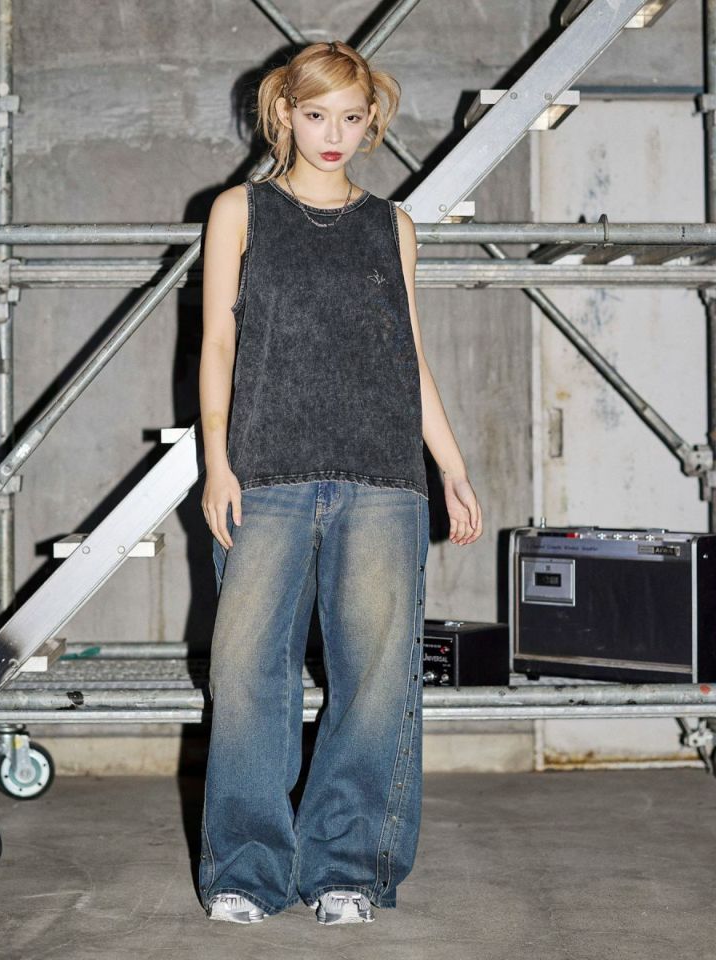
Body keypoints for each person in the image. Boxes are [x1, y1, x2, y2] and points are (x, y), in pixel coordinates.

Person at [197, 39, 482, 926]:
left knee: (377, 681)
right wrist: (216, 460)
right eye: (317, 114)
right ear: (284, 113)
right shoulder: (240, 211)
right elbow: (217, 343)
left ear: (371, 121)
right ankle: (246, 871)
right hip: (266, 474)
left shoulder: (393, 225)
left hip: (382, 478)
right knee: (248, 677)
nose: (334, 134)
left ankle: (347, 870)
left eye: (352, 118)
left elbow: (411, 357)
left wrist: (452, 467)